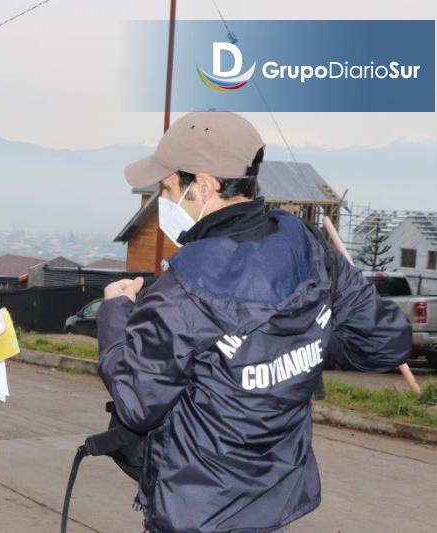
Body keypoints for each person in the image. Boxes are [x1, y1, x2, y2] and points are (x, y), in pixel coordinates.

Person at [98, 112, 411, 532]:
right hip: (275, 501)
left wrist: (117, 312)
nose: (163, 202)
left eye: (169, 188)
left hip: (197, 510)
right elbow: (386, 342)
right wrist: (301, 340)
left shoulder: (183, 289)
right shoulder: (314, 249)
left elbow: (136, 403)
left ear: (204, 185)